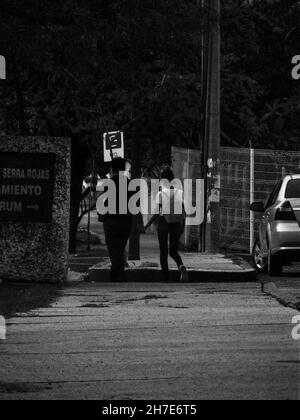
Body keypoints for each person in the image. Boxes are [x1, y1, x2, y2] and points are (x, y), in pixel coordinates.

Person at [143, 167, 188, 283]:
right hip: (177, 224)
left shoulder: (161, 194)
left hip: (164, 223)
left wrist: (146, 225)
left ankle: (165, 278)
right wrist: (182, 226)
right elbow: (184, 212)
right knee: (173, 251)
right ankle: (181, 266)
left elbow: (158, 213)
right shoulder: (179, 193)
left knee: (163, 252)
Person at [100, 158, 133, 282]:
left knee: (114, 249)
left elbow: (105, 203)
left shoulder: (109, 183)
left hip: (111, 221)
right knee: (120, 247)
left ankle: (117, 275)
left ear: (111, 169)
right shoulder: (130, 183)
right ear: (124, 169)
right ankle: (119, 274)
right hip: (125, 222)